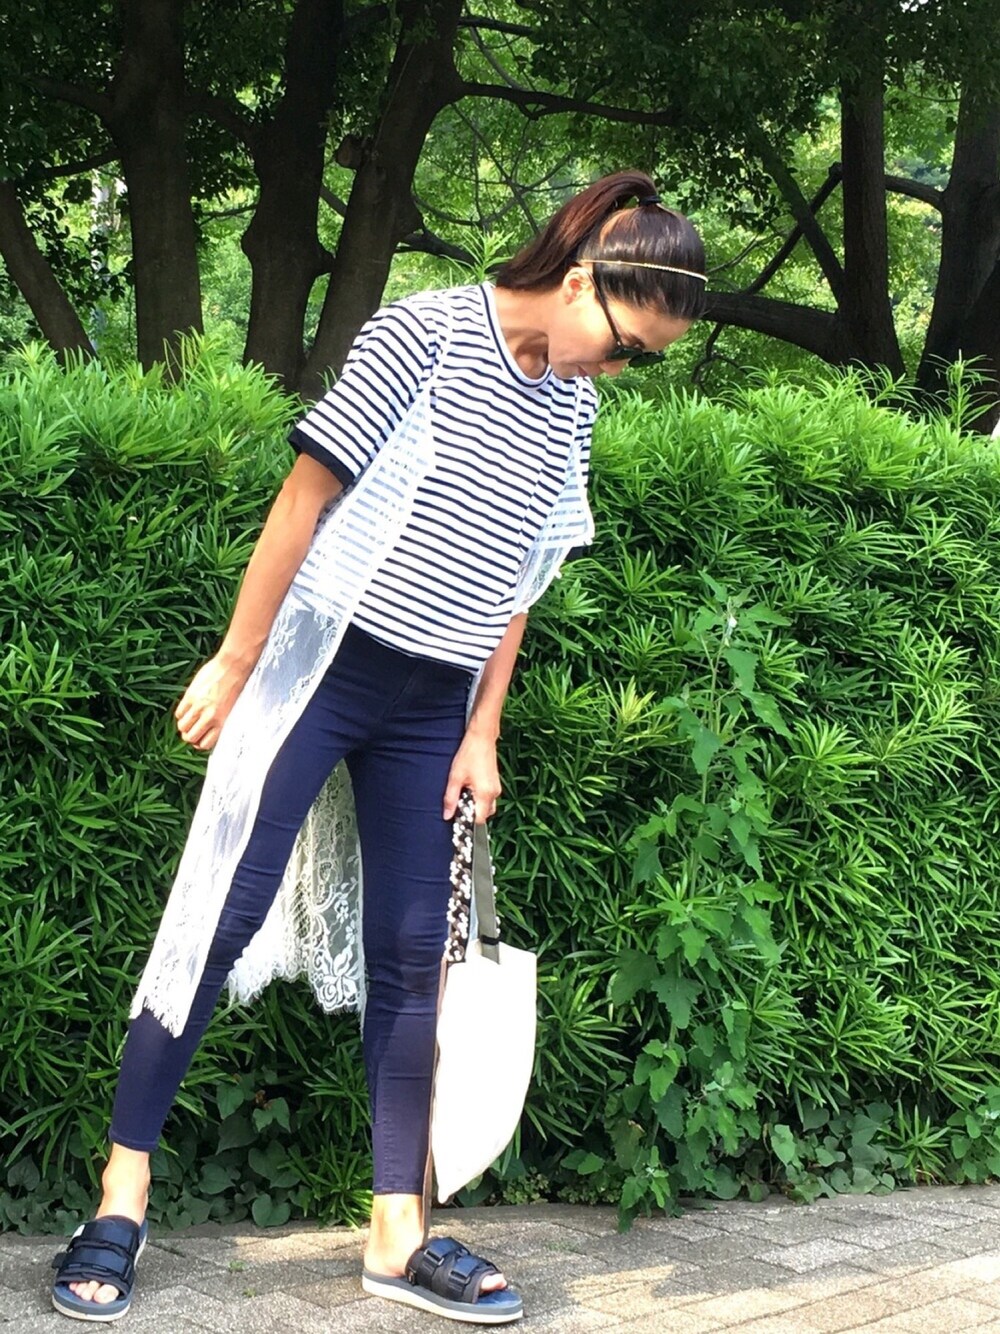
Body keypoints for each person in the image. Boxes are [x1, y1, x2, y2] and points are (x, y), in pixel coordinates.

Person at [49, 168, 706, 1326]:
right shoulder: (426, 333)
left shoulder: (570, 405)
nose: (619, 371)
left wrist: (483, 728)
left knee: (413, 958)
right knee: (217, 917)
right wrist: (236, 659)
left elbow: (522, 578)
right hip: (322, 671)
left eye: (638, 361)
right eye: (626, 346)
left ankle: (397, 1230)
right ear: (580, 277)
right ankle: (121, 1191)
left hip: (431, 706)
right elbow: (303, 500)